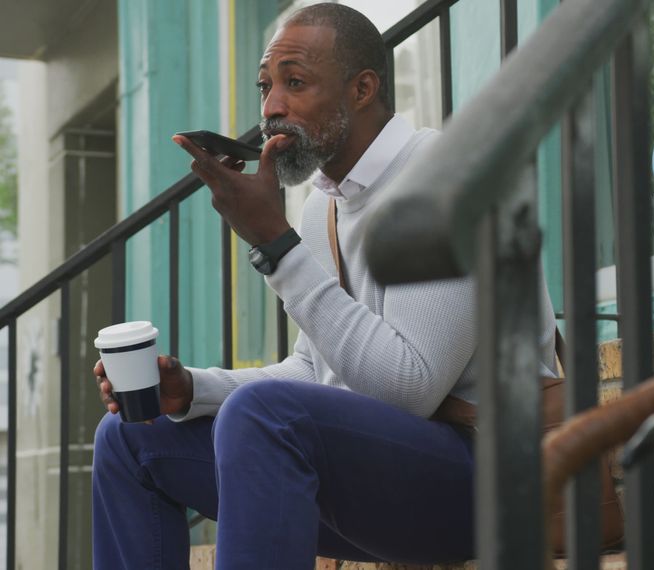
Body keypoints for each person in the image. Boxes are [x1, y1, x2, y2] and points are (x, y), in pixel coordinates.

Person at [90, 4, 558, 568]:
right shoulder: (323, 209)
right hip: (388, 485)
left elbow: (411, 388)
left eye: (295, 83)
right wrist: (193, 390)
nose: (271, 109)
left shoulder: (449, 181)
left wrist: (276, 246)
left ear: (362, 88)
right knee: (128, 438)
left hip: (496, 479)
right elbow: (316, 372)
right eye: (266, 88)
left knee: (266, 415)